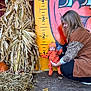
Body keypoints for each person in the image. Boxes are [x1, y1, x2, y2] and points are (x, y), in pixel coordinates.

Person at [51, 10, 91, 84]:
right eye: (63, 23)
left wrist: (57, 64)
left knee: (65, 68)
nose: (64, 26)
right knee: (64, 52)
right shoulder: (79, 31)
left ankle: (88, 79)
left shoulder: (78, 33)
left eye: (66, 23)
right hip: (86, 60)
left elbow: (69, 55)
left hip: (88, 63)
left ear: (72, 22)